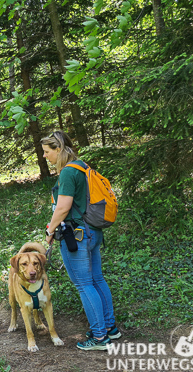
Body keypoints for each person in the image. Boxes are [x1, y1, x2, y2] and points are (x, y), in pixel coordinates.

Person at [42, 131, 120, 351]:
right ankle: (109, 328)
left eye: (48, 152)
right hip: (93, 232)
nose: (46, 156)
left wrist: (50, 230)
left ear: (58, 149)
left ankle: (99, 337)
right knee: (96, 280)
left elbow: (63, 207)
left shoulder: (68, 173)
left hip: (78, 235)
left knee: (84, 284)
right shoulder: (83, 166)